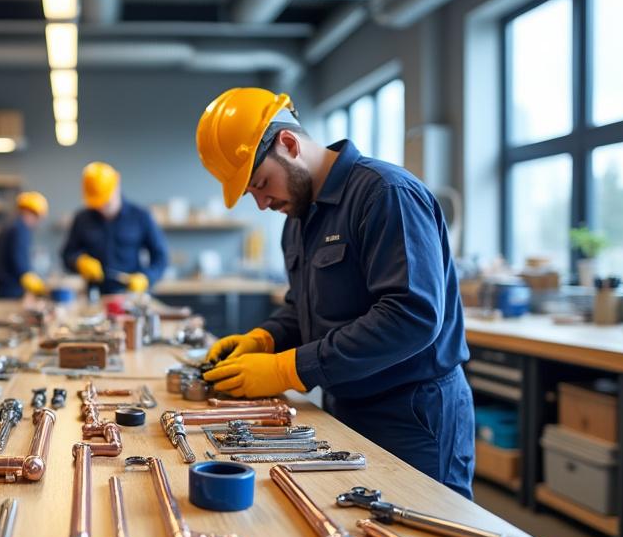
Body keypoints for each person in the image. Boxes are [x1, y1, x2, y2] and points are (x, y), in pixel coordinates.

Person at [194, 87, 475, 498]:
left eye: (260, 183)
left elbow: (411, 316)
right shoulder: (298, 218)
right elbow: (304, 307)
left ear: (288, 144)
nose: (261, 203)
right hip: (346, 404)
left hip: (413, 414)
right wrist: (266, 338)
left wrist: (287, 371)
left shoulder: (385, 194)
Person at [60, 161, 168, 295]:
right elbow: (67, 255)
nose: (101, 207)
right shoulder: (82, 219)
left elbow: (161, 257)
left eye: (105, 201)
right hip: (95, 296)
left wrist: (146, 277)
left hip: (130, 295)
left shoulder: (141, 216)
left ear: (117, 184)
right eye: (97, 203)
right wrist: (79, 261)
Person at [0, 191, 49, 298]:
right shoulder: (21, 229)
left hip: (3, 286)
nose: (37, 222)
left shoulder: (9, 226)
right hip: (12, 289)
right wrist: (30, 278)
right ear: (32, 213)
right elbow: (19, 259)